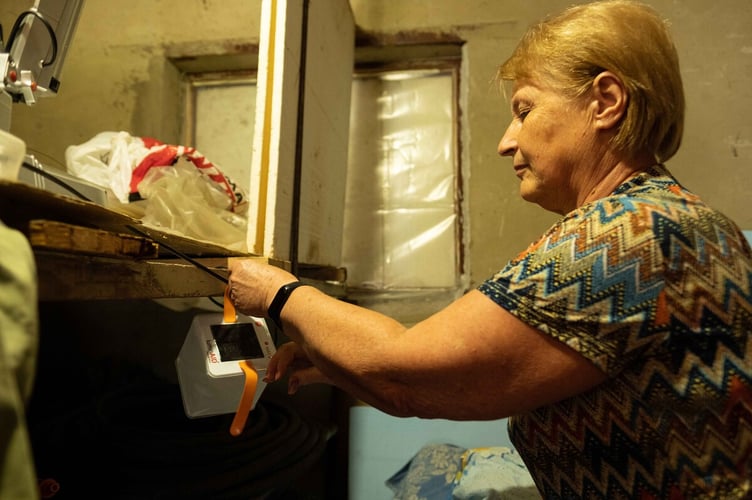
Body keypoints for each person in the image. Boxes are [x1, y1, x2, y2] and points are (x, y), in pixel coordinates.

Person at [227, 0, 752, 497]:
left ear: (605, 102)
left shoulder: (629, 234)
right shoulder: (659, 216)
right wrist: (338, 358)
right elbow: (445, 375)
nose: (506, 141)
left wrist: (277, 293)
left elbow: (403, 377)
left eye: (524, 110)